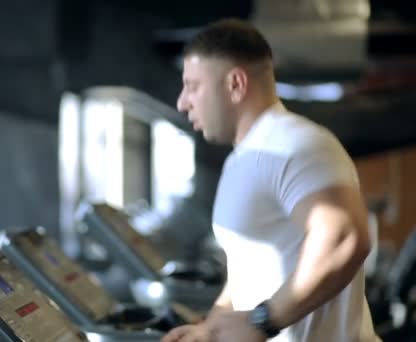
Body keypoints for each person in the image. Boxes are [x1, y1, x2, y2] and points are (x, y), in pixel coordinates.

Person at [162, 18, 380, 342]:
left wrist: (263, 320)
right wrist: (210, 329)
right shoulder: (242, 161)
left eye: (193, 86)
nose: (182, 101)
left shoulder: (294, 144)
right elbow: (246, 273)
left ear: (235, 84)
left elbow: (344, 237)